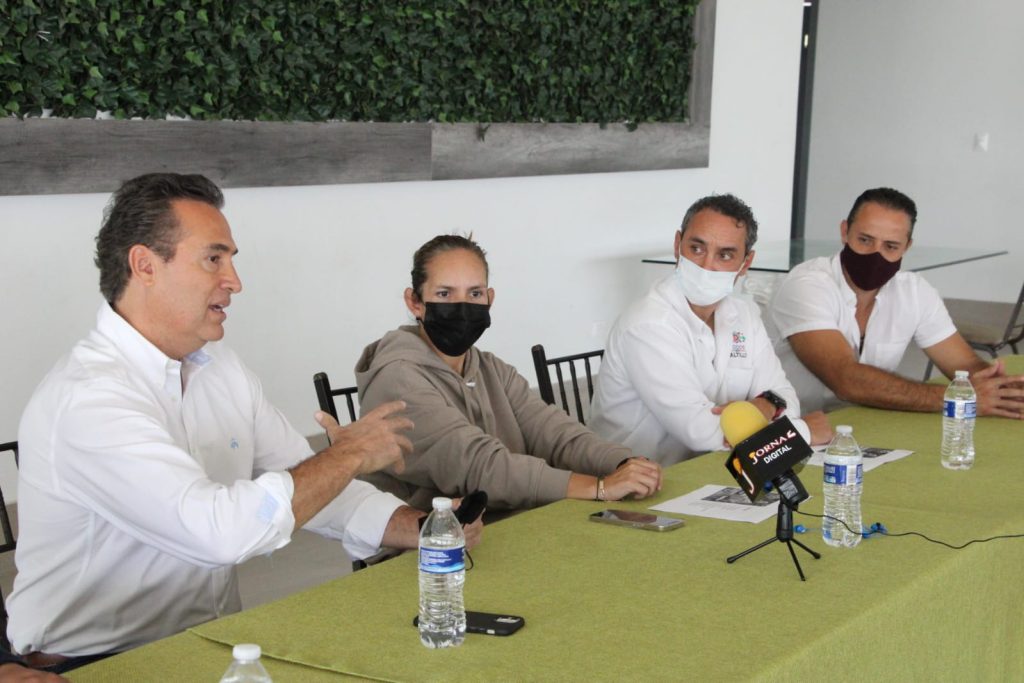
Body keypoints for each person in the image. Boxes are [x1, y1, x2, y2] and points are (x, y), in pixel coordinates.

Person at [6, 173, 482, 672]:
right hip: (90, 665)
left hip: (207, 644)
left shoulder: (218, 366)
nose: (235, 281)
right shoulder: (88, 398)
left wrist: (422, 528)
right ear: (144, 265)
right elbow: (219, 533)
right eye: (214, 259)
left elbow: (312, 484)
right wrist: (349, 454)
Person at [355, 234, 663, 513]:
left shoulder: (490, 368)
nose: (462, 306)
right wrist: (600, 488)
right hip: (431, 540)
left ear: (489, 299)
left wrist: (623, 462)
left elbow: (553, 431)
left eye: (475, 293)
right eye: (445, 293)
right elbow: (480, 467)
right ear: (415, 302)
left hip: (506, 521)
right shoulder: (397, 378)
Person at [589, 194, 832, 466]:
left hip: (718, 469)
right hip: (642, 481)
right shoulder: (649, 324)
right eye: (696, 249)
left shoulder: (745, 314)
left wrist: (766, 403)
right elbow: (703, 433)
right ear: (677, 245)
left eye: (725, 255)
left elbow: (785, 398)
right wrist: (802, 432)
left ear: (745, 263)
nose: (706, 266)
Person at [769, 187, 1024, 416]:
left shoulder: (914, 291)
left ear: (907, 247)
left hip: (866, 420)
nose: (875, 255)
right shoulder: (806, 285)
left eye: (890, 246)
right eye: (865, 240)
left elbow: (964, 364)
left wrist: (1006, 391)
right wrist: (959, 399)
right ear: (845, 232)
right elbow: (845, 379)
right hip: (791, 426)